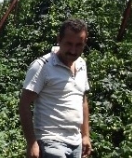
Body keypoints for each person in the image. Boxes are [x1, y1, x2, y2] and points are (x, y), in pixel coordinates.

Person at [19, 18, 92, 158]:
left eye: (79, 45)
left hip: (75, 142)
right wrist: (32, 143)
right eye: (69, 44)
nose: (73, 50)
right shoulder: (42, 66)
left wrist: (85, 135)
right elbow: (24, 104)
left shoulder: (82, 64)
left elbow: (83, 100)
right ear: (59, 39)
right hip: (50, 141)